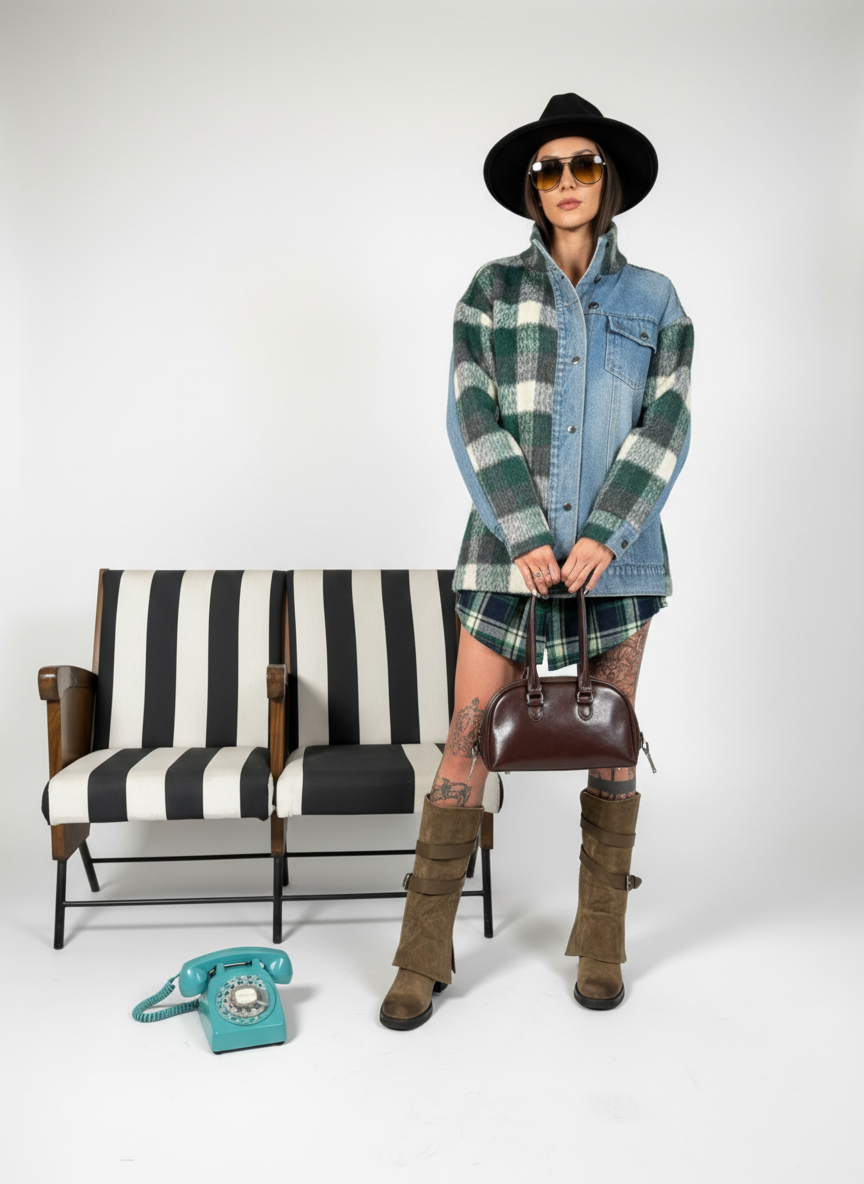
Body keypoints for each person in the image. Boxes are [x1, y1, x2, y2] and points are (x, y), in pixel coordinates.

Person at [379, 93, 694, 1029]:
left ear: (608, 180)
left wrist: (604, 534)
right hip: (502, 561)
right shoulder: (489, 293)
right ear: (532, 186)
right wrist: (524, 534)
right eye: (548, 169)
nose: (565, 182)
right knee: (465, 744)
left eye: (582, 165)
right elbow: (469, 415)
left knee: (613, 748)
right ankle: (421, 955)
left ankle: (602, 943)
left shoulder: (656, 302)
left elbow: (667, 423)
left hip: (617, 567)